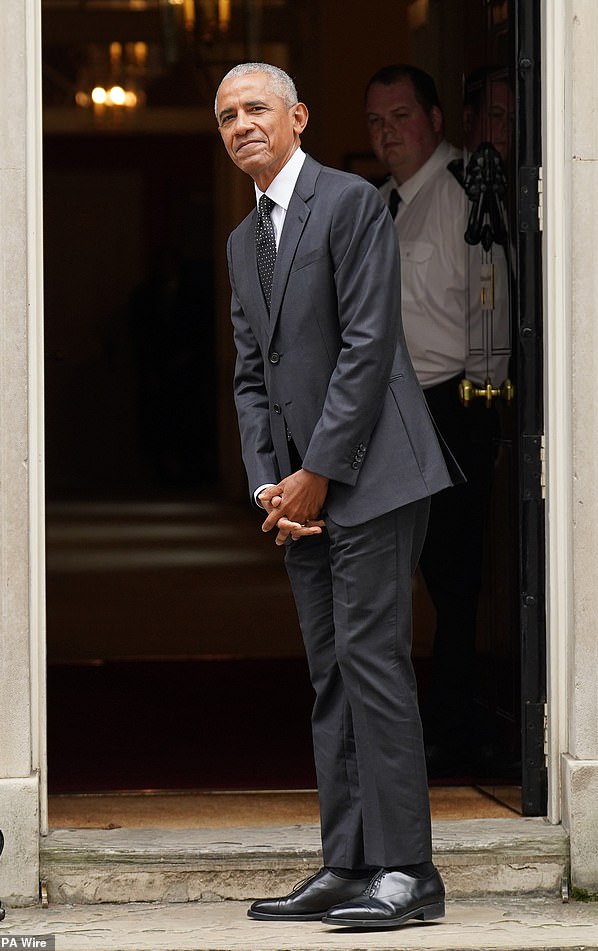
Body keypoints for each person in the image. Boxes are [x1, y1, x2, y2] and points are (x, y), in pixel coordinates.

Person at [215, 62, 458, 929]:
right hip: (303, 495)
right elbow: (252, 378)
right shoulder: (245, 243)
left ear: (298, 118)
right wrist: (267, 486)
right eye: (227, 116)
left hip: (377, 475)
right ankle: (349, 863)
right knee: (330, 675)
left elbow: (367, 346)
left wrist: (316, 469)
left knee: (374, 664)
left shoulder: (350, 203)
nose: (241, 124)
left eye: (256, 109)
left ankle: (408, 870)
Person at [365, 64, 507, 773]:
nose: (388, 132)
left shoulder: (463, 195)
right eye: (377, 122)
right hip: (394, 410)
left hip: (450, 404)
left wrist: (485, 409)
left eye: (401, 116)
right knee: (402, 576)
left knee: (454, 582)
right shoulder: (384, 202)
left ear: (436, 119)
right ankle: (417, 721)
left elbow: (492, 306)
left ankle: (452, 728)